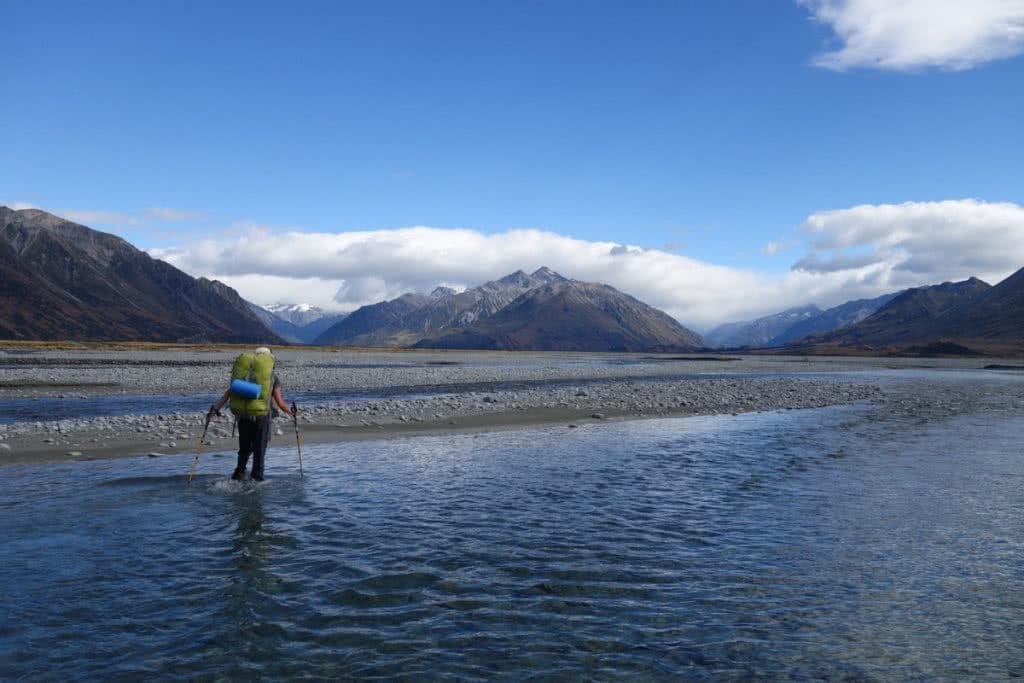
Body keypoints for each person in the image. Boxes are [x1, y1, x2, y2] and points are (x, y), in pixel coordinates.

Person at [210, 347, 295, 481]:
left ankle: (238, 475)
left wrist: (215, 409)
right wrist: (292, 412)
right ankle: (257, 479)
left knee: (244, 450)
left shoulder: (242, 374)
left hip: (243, 416)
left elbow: (228, 394)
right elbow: (280, 402)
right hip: (262, 417)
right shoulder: (271, 377)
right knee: (259, 450)